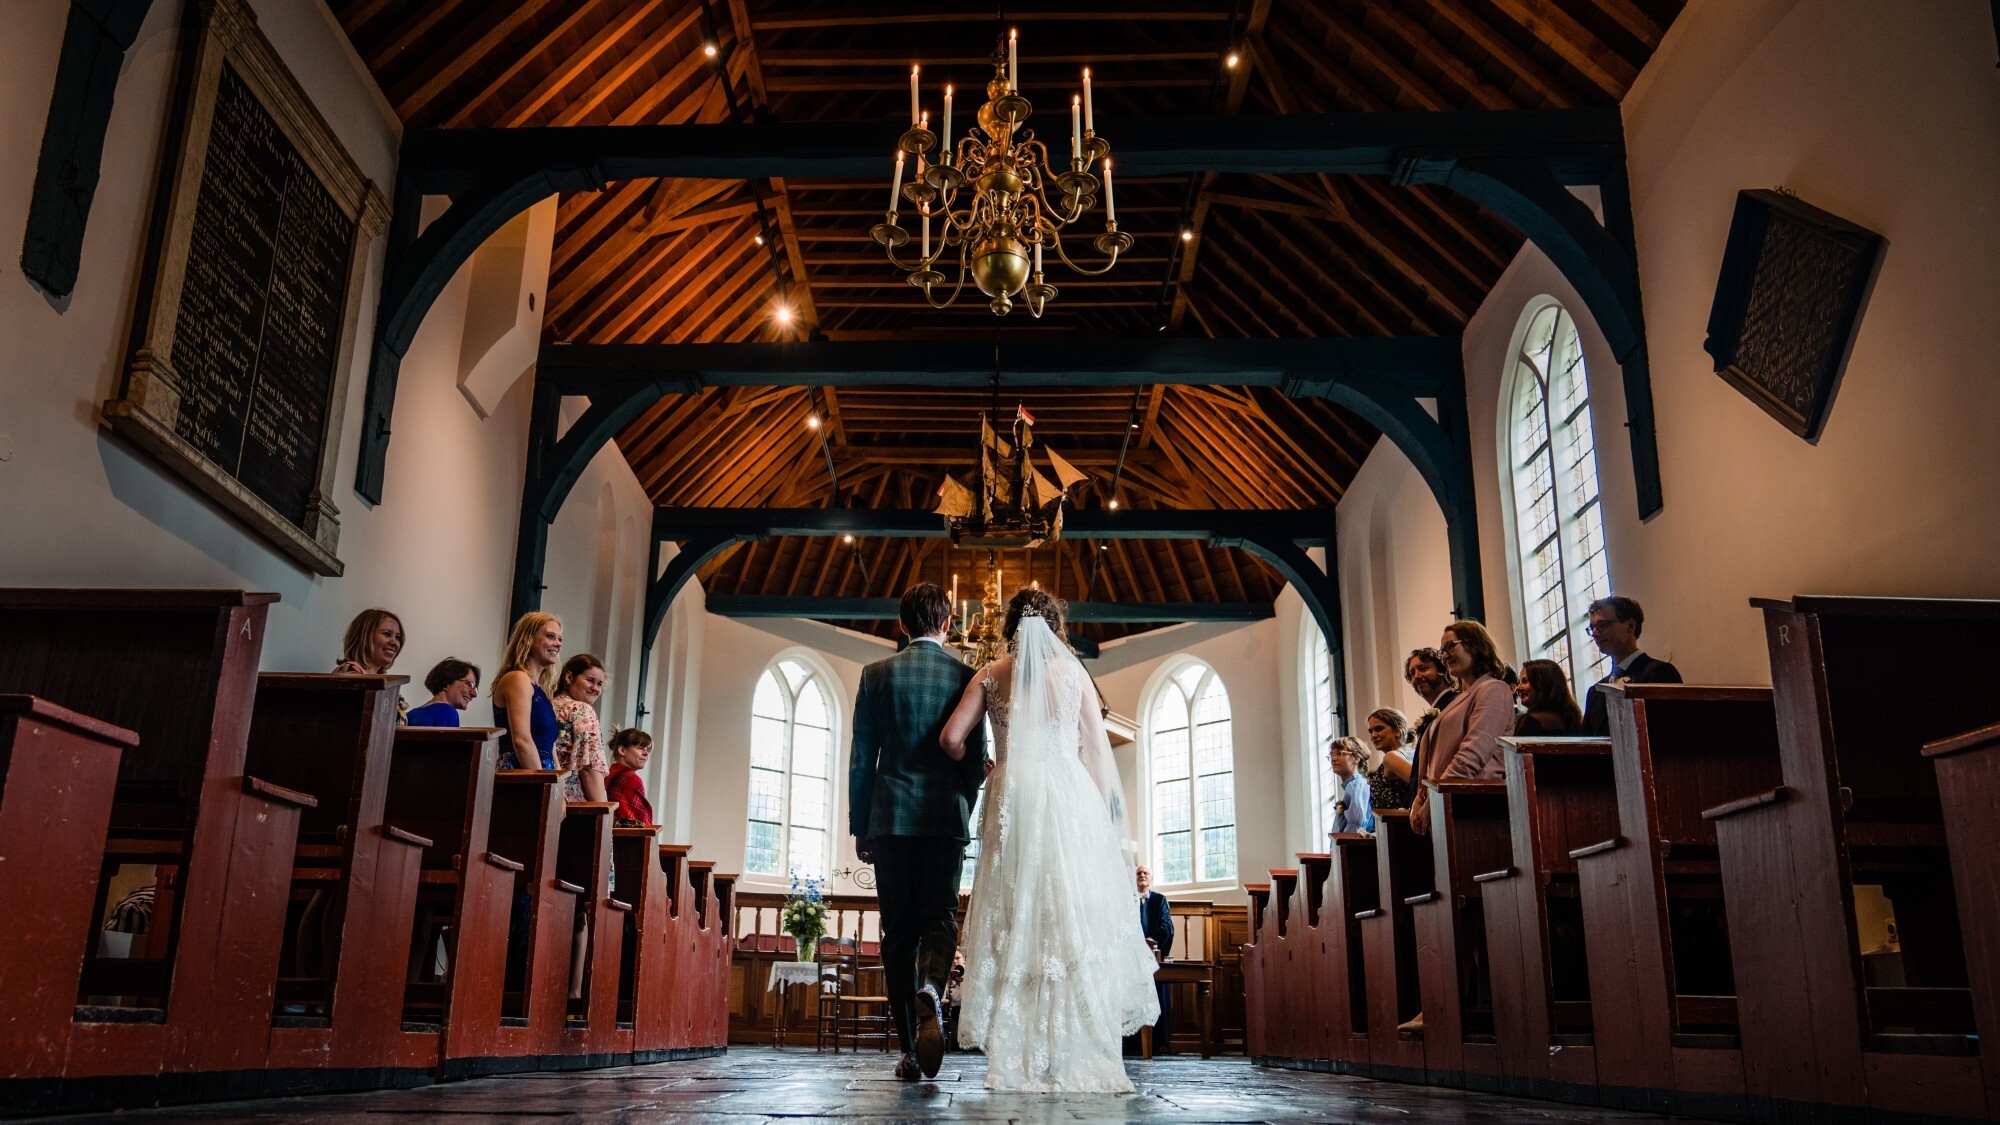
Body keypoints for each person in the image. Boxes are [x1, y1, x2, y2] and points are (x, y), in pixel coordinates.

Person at [941, 588, 1159, 1093]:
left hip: (1012, 797)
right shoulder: (1074, 673)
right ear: (1055, 626)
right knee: (1068, 919)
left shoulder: (990, 673)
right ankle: (1070, 1051)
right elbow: (1100, 754)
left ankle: (1018, 1055)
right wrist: (1106, 821)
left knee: (1018, 919)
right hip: (1068, 796)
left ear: (1008, 626)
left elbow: (952, 740)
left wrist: (988, 766)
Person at [849, 583, 989, 1082]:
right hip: (944, 819)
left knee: (898, 932)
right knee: (941, 918)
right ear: (948, 624)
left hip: (889, 819)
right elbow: (973, 760)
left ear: (902, 624)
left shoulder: (876, 674)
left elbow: (863, 758)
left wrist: (860, 825)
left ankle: (909, 1047)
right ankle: (932, 985)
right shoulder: (968, 675)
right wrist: (962, 809)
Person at [1409, 621, 1515, 836]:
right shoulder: (1462, 698)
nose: (1445, 656)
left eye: (1450, 647)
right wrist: (1419, 800)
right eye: (1442, 651)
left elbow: (1473, 753)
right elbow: (1434, 761)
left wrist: (1436, 799)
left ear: (1475, 645)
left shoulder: (1493, 689)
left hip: (1474, 805)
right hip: (1448, 803)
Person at [1581, 596, 1683, 735]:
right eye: (1592, 628)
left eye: (1603, 625)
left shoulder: (1659, 673)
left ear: (1630, 625)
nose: (1595, 633)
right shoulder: (1595, 693)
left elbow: (1671, 731)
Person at [495, 613, 562, 771]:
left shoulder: (540, 689)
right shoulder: (518, 678)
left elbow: (550, 747)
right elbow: (522, 740)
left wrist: (558, 789)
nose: (558, 644)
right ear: (527, 638)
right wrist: (540, 784)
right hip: (524, 773)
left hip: (542, 772)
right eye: (551, 636)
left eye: (560, 639)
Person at [552, 654, 610, 803]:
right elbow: (590, 767)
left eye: (599, 684)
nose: (595, 688)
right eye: (590, 680)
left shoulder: (548, 705)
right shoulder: (582, 710)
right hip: (574, 805)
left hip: (551, 795)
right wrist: (603, 811)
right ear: (569, 677)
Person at [333, 608, 408, 722]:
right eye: (387, 634)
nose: (394, 642)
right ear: (364, 636)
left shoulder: (382, 680)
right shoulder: (350, 670)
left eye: (398, 637)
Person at [1130, 865, 1175, 1055]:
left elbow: (1167, 925)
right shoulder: (1128, 899)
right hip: (1131, 958)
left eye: (1145, 873)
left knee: (1156, 994)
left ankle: (1157, 1043)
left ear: (1151, 878)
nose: (1142, 876)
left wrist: (1152, 940)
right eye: (1138, 873)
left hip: (1153, 955)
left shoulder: (1159, 899)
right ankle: (1132, 1045)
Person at [1362, 708, 1415, 809]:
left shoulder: (1391, 757)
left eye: (1379, 729)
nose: (1373, 735)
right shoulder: (1403, 755)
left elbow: (1419, 783)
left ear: (1397, 731)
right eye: (1370, 731)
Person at [1513, 658, 1583, 736]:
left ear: (1542, 684)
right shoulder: (1572, 721)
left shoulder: (1531, 722)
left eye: (1525, 681)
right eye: (1519, 682)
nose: (1518, 688)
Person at [407, 658, 479, 727]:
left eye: (475, 688)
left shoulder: (410, 715)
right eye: (469, 684)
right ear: (447, 682)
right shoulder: (447, 712)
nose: (474, 694)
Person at [604, 728, 655, 826]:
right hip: (624, 838)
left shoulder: (607, 774)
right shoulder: (631, 779)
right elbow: (642, 825)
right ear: (622, 750)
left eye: (647, 749)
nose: (646, 753)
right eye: (640, 748)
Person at [1329, 736, 1375, 834]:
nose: (1333, 759)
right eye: (1331, 754)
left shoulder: (1356, 785)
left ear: (1356, 758)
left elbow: (1356, 829)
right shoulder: (1353, 785)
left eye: (1339, 753)